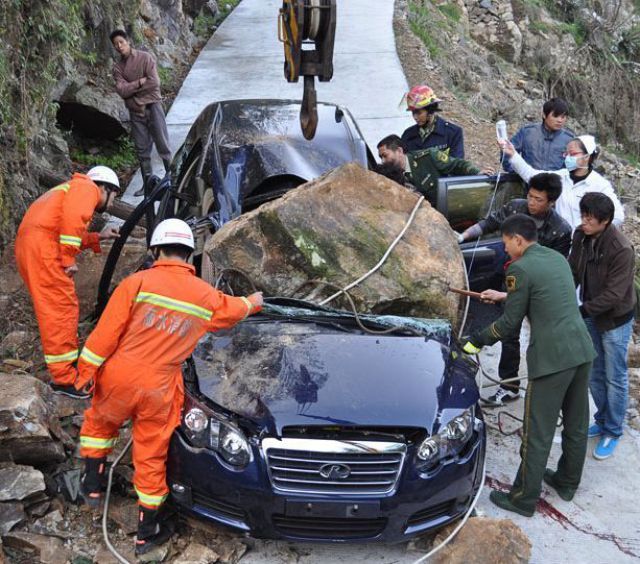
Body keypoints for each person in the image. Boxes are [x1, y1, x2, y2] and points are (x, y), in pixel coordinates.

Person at [75, 218, 263, 555]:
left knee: (99, 424)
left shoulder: (137, 283)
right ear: (190, 256)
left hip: (120, 375)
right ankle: (147, 531)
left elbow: (104, 335)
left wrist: (84, 372)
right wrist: (254, 301)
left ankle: (91, 486)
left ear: (156, 251)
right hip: (160, 386)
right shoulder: (205, 295)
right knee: (150, 452)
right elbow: (233, 311)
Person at [463, 214, 595, 517]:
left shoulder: (519, 269)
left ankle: (522, 499)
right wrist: (505, 296)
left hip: (552, 359)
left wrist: (477, 339)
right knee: (576, 424)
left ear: (518, 240)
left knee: (537, 432)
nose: (505, 249)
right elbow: (544, 293)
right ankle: (566, 482)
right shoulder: (556, 258)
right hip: (581, 350)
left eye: (506, 243)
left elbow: (509, 325)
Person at [459, 173, 572, 405]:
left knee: (534, 336)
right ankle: (510, 385)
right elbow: (488, 223)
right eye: (530, 196)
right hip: (510, 276)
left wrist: (505, 296)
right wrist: (462, 236)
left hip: (537, 290)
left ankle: (544, 388)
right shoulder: (515, 208)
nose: (531, 202)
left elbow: (549, 275)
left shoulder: (560, 230)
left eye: (538, 199)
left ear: (551, 202)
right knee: (509, 333)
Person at [15, 166, 121, 398]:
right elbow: (73, 222)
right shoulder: (88, 188)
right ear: (105, 187)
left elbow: (62, 227)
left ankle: (64, 371)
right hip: (43, 250)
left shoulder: (70, 189)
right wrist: (68, 257)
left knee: (56, 310)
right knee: (60, 311)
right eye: (114, 196)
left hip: (34, 247)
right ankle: (64, 379)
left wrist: (97, 237)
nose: (112, 204)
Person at [568, 192, 635, 460]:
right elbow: (573, 271)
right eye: (583, 215)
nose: (584, 221)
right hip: (590, 313)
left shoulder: (622, 249)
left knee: (615, 376)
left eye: (590, 218)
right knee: (594, 372)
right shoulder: (580, 236)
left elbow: (614, 296)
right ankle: (602, 419)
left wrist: (580, 310)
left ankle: (614, 430)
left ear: (605, 221)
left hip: (615, 319)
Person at [501, 134, 624, 230]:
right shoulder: (561, 176)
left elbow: (618, 216)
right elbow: (531, 175)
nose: (568, 157)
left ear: (587, 156)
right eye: (567, 154)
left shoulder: (600, 185)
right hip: (559, 240)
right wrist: (513, 155)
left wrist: (593, 231)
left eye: (573, 154)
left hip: (583, 247)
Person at [110, 29, 172, 198]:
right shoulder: (118, 68)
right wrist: (139, 82)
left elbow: (154, 83)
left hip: (153, 107)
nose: (119, 46)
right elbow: (122, 91)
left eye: (121, 42)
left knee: (163, 144)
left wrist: (135, 96)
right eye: (116, 44)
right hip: (136, 113)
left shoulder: (145, 58)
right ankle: (148, 186)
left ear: (128, 41)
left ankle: (172, 180)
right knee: (142, 149)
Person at [377, 135, 482, 206]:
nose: (383, 161)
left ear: (399, 151)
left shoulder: (428, 157)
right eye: (380, 157)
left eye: (385, 155)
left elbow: (457, 165)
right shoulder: (389, 176)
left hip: (448, 213)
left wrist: (477, 173)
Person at [502, 97, 574, 172]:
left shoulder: (569, 139)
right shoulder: (528, 132)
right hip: (527, 180)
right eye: (555, 116)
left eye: (563, 117)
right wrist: (515, 173)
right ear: (544, 115)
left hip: (556, 181)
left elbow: (575, 165)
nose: (560, 120)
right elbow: (507, 152)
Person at [400, 84, 465, 157]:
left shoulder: (452, 133)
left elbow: (458, 164)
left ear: (430, 110)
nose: (415, 117)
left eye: (419, 113)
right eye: (413, 113)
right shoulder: (408, 135)